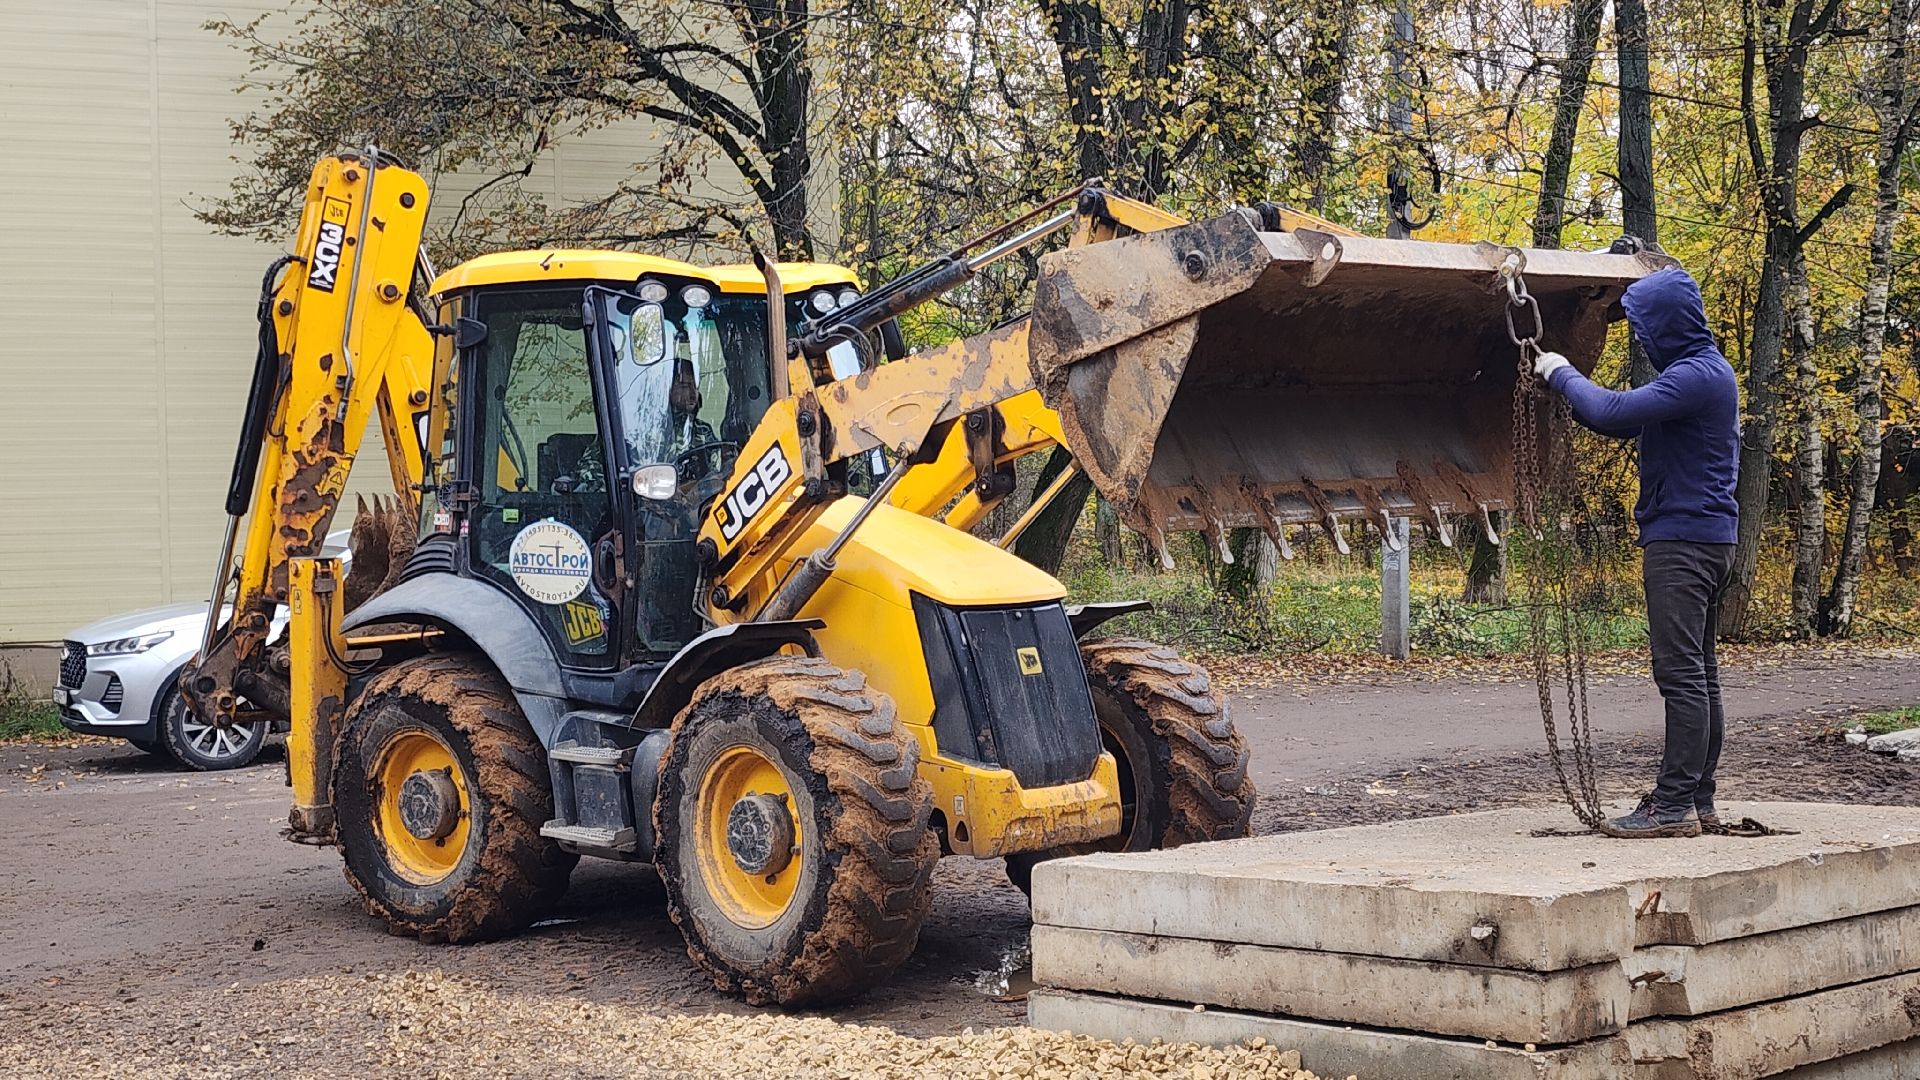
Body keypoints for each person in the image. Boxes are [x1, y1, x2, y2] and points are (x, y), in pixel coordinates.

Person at [1532, 267, 1740, 839]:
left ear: (1670, 324)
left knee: (1682, 679)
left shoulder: (1696, 375)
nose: (1641, 339)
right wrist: (1570, 394)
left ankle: (1672, 806)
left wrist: (1559, 370)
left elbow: (1613, 412)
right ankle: (1697, 799)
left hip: (1682, 545)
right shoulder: (1702, 374)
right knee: (1701, 676)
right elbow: (1619, 426)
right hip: (1709, 540)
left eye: (1646, 326)